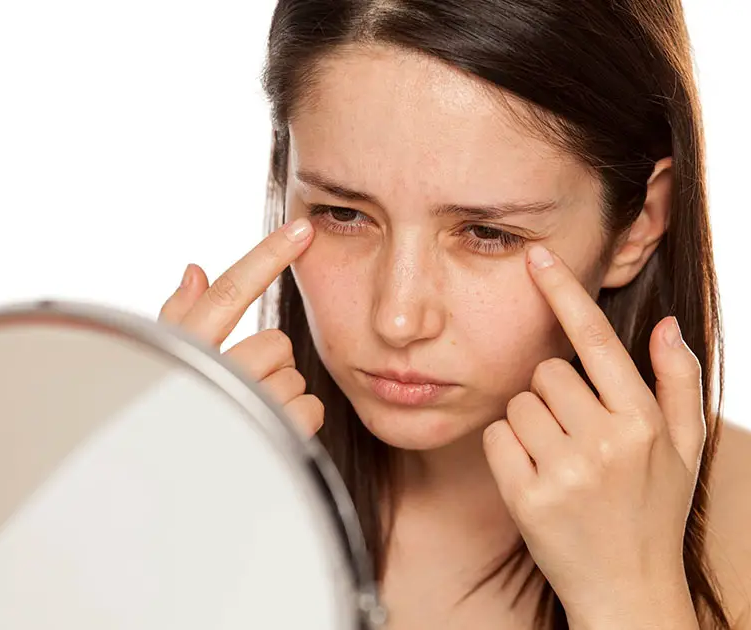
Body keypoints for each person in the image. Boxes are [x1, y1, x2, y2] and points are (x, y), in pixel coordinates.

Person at [159, 1, 751, 628]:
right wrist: (141, 540)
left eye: (488, 233)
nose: (397, 319)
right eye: (343, 214)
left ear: (637, 227)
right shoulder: (176, 492)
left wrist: (632, 597)